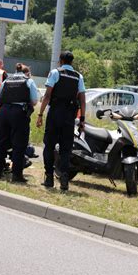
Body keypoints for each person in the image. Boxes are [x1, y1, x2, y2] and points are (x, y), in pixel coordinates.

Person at [36, 51, 86, 191]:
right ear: (72, 62)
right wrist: (82, 119)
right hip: (70, 116)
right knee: (66, 149)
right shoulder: (78, 76)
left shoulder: (55, 73)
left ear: (61, 61)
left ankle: (49, 177)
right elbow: (82, 99)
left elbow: (47, 95)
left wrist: (40, 114)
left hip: (55, 113)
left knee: (49, 146)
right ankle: (64, 179)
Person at [0, 65, 38, 181]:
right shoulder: (29, 81)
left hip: (3, 112)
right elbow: (34, 101)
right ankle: (16, 175)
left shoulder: (6, 81)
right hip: (19, 113)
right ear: (26, 73)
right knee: (19, 144)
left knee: (0, 143)